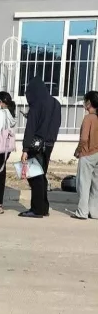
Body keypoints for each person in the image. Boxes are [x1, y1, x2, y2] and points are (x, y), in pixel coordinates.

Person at [19, 77, 61, 219]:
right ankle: (43, 207)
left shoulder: (36, 104)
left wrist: (25, 149)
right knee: (41, 176)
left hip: (35, 145)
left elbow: (30, 128)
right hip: (49, 145)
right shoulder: (55, 103)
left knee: (35, 177)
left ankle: (36, 209)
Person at [71, 91, 98, 221]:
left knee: (84, 184)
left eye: (85, 100)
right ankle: (94, 212)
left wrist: (78, 151)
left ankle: (82, 212)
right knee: (96, 186)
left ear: (89, 102)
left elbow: (84, 139)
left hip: (87, 154)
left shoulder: (89, 118)